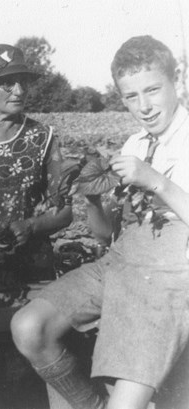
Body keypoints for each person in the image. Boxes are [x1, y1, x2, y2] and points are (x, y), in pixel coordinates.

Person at [11, 35, 189, 409]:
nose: (144, 106)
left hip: (170, 278)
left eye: (152, 90)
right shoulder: (135, 145)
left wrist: (156, 181)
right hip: (121, 264)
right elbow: (106, 234)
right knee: (29, 327)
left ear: (179, 79)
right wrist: (92, 195)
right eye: (130, 96)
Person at [0, 43, 73, 295]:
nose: (19, 91)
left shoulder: (42, 137)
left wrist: (31, 225)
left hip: (30, 269)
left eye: (23, 82)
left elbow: (63, 212)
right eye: (8, 83)